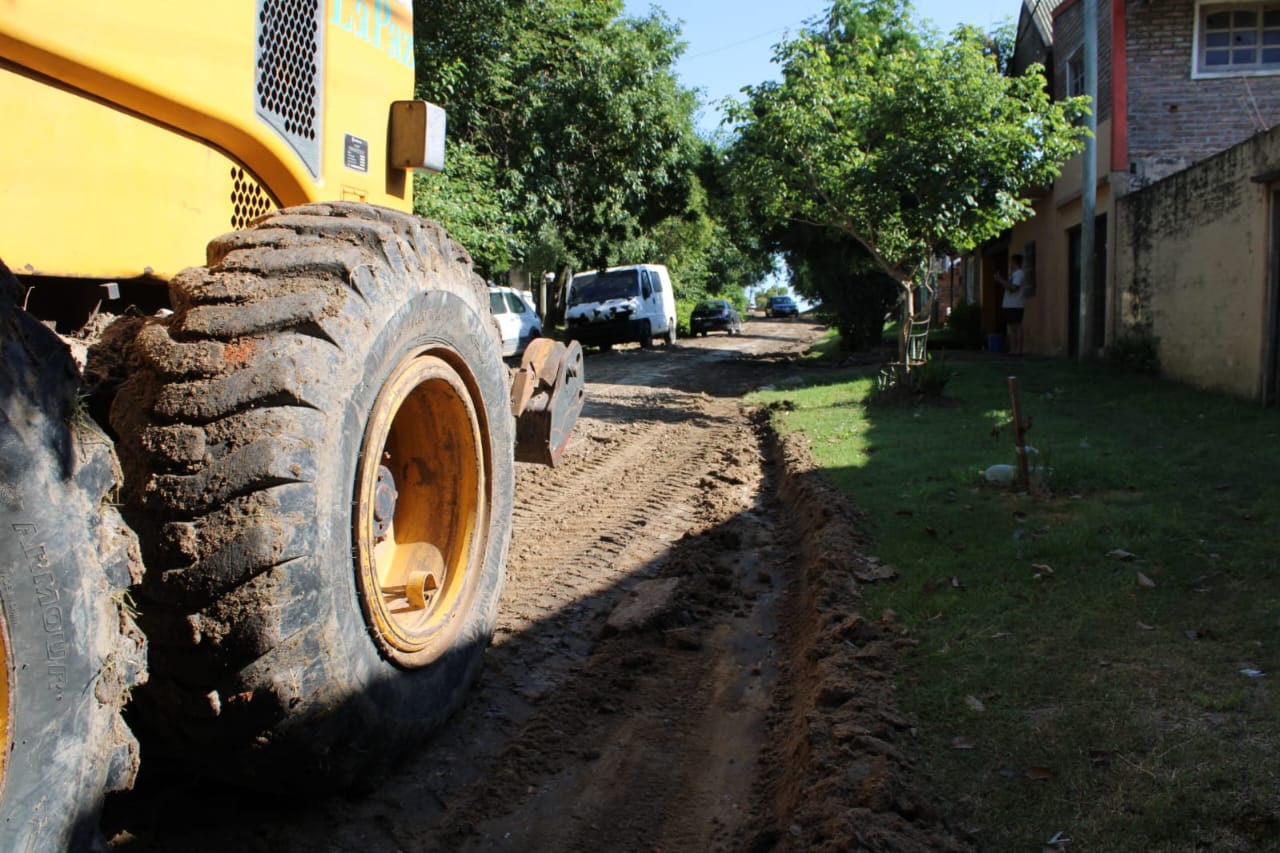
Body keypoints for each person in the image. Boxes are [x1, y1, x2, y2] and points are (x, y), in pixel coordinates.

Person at [995, 254, 1026, 355]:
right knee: (1012, 328)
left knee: (1017, 326)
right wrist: (1001, 281)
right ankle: (1013, 349)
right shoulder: (1013, 274)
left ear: (1015, 262)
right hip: (1010, 304)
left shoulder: (1019, 274)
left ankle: (1018, 350)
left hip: (1016, 304)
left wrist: (1001, 281)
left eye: (1011, 262)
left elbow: (1014, 288)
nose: (1010, 264)